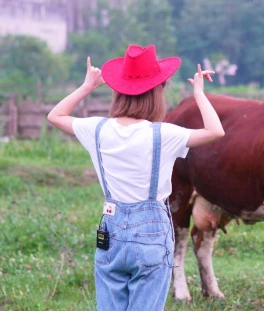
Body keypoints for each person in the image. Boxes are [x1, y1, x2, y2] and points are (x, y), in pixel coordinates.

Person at [47, 44, 225, 310]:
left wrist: (87, 86)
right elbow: (215, 131)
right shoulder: (164, 134)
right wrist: (199, 92)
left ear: (118, 92)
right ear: (158, 93)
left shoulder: (97, 129)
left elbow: (55, 115)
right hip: (152, 233)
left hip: (111, 229)